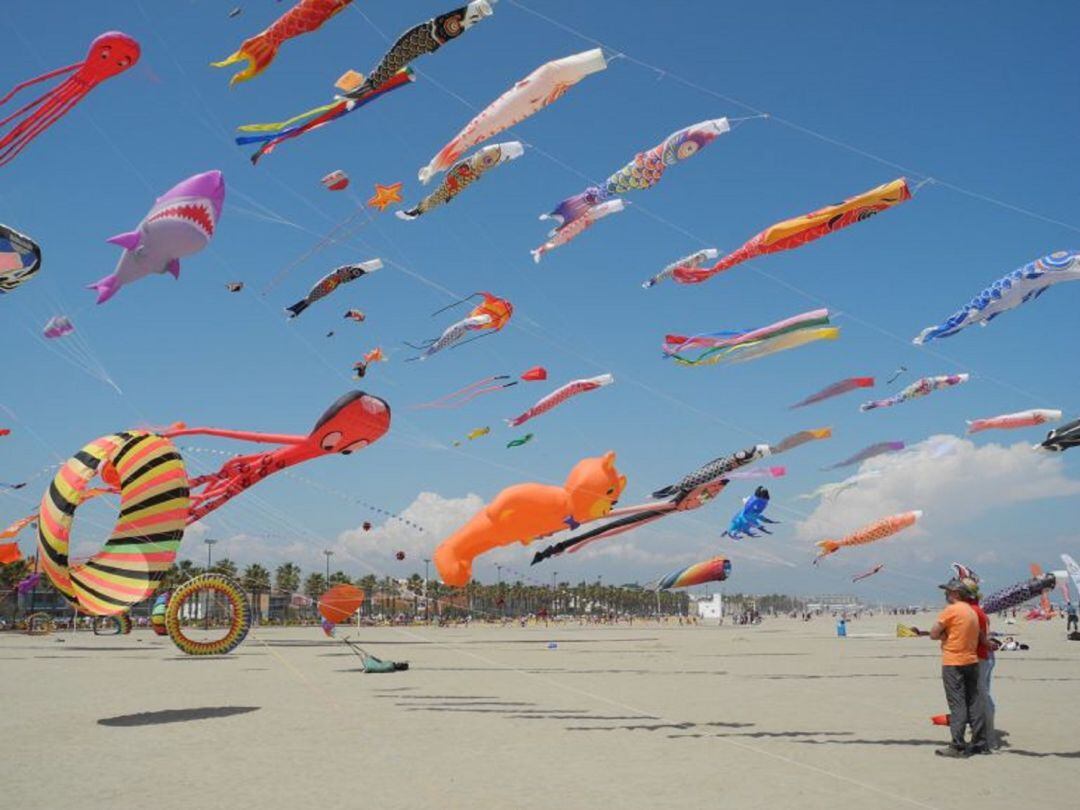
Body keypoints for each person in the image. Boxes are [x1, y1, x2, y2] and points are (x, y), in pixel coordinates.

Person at [929, 578, 986, 757]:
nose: (945, 595)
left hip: (954, 661)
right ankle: (979, 742)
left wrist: (944, 635)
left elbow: (933, 633)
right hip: (971, 660)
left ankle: (957, 745)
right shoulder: (972, 611)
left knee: (957, 704)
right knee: (974, 701)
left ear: (954, 593)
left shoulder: (952, 610)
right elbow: (981, 635)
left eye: (947, 591)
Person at [960, 578, 995, 751]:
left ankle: (987, 738)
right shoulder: (975, 610)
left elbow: (980, 636)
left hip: (980, 657)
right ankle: (984, 734)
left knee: (981, 698)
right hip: (981, 657)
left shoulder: (974, 611)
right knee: (980, 697)